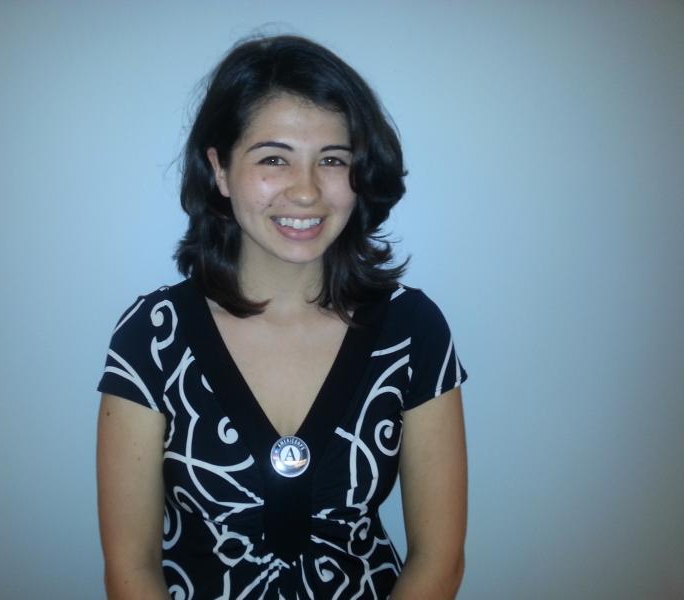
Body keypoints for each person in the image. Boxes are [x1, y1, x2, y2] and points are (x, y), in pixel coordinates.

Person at [96, 34, 468, 600]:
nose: (307, 191)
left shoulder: (412, 330)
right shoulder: (152, 336)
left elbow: (439, 561)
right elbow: (131, 568)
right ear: (220, 169)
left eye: (333, 160)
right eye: (274, 158)